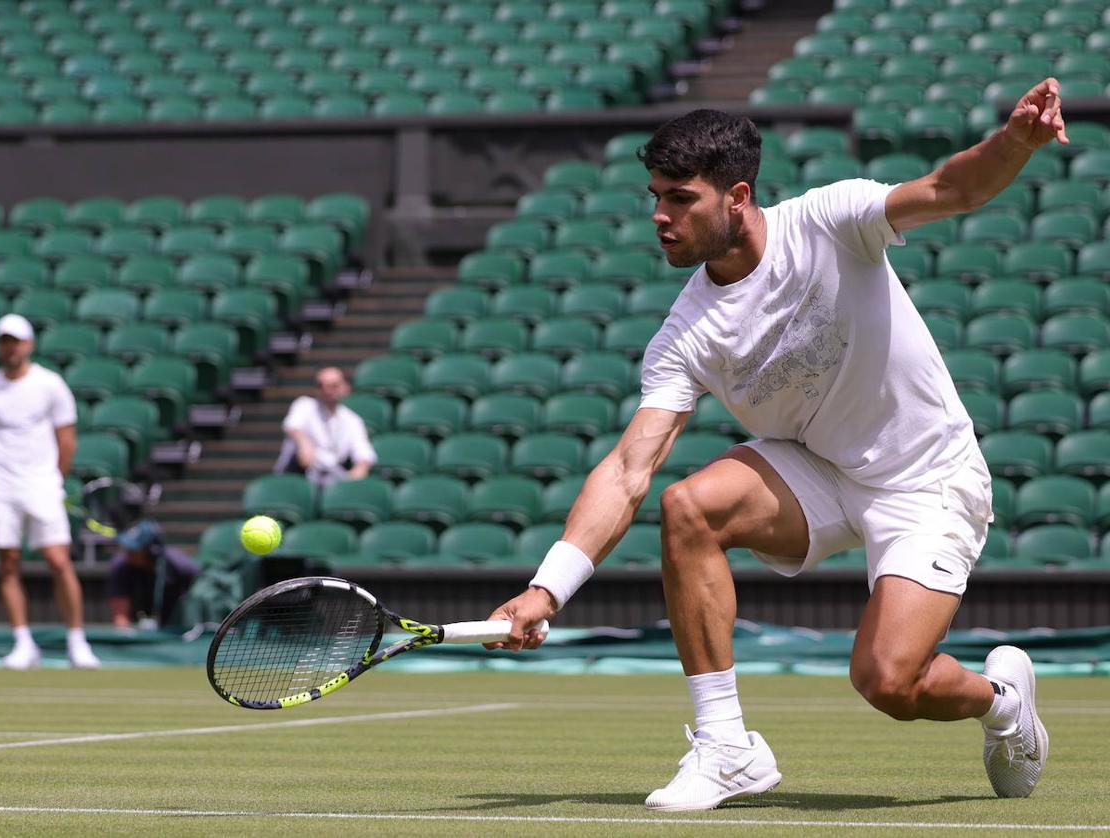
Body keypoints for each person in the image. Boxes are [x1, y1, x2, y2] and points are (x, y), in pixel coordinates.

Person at [488, 79, 1068, 809]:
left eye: (680, 199)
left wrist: (1014, 141)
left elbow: (949, 188)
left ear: (737, 196)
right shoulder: (685, 334)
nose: (660, 217)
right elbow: (630, 467)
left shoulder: (829, 220)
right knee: (688, 507)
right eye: (654, 197)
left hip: (927, 476)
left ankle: (1002, 702)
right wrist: (548, 588)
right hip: (820, 467)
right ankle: (726, 746)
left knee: (889, 681)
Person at [0, 313, 101, 670]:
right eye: (4, 341)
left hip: (42, 482)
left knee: (59, 561)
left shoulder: (50, 384)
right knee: (8, 563)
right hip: (0, 485)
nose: (10, 347)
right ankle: (23, 643)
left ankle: (77, 641)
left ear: (29, 344)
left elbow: (66, 439)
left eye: (16, 340)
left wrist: (54, 478)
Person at [273, 366, 376, 487]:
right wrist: (303, 443)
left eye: (334, 386)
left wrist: (361, 468)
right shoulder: (305, 405)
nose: (327, 391)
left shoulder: (352, 420)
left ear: (346, 388)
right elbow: (292, 425)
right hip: (295, 476)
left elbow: (364, 451)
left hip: (331, 480)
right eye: (321, 385)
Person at [107, 520, 201, 629]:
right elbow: (120, 617)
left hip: (177, 629)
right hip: (136, 629)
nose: (128, 552)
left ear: (151, 551)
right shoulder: (119, 567)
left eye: (134, 549)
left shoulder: (180, 565)